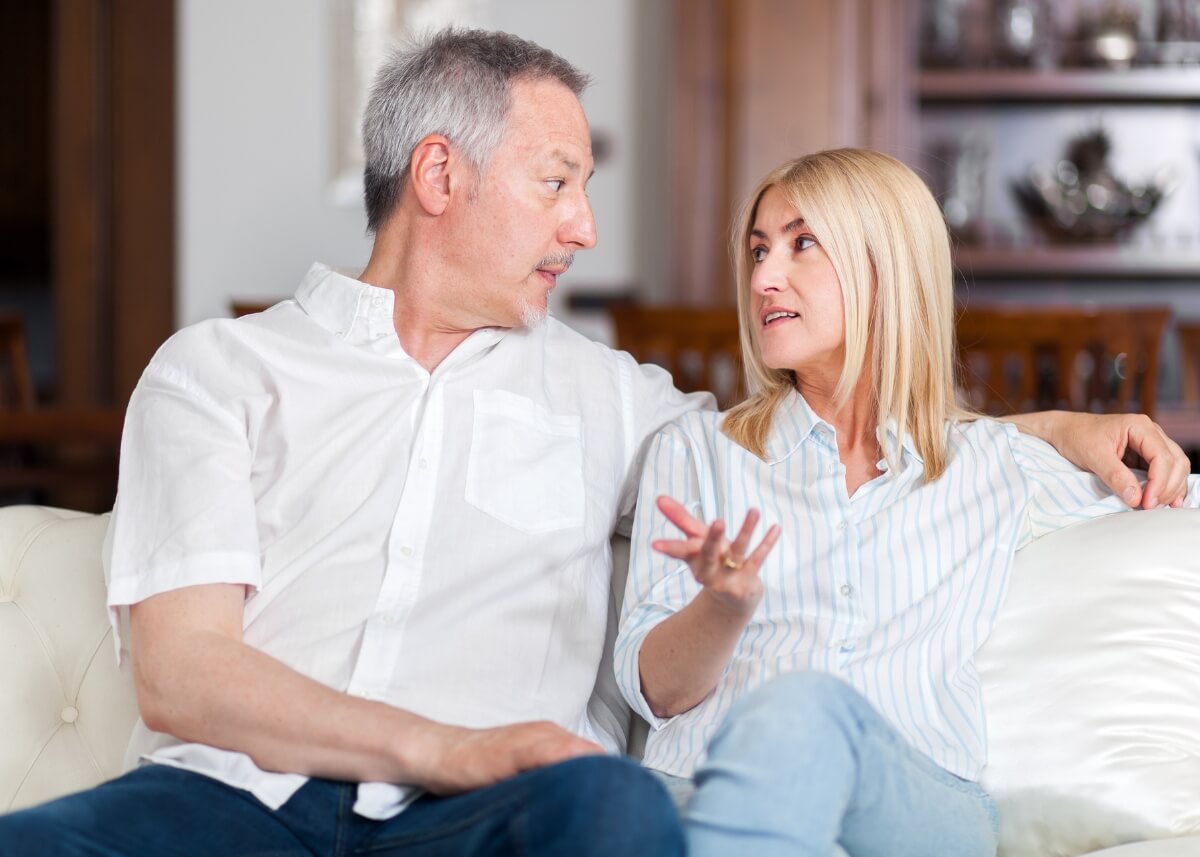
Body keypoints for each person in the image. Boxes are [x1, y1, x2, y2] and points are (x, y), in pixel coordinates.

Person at [0, 28, 1187, 857]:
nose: (587, 224)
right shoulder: (216, 372)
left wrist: (1067, 430)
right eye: (559, 179)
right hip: (227, 806)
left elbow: (827, 427)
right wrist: (453, 743)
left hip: (501, 822)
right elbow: (183, 671)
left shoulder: (619, 402)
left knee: (613, 808)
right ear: (439, 175)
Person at [614, 148, 1200, 857]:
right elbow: (659, 693)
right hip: (708, 791)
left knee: (806, 703)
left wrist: (1071, 429)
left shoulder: (994, 466)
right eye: (759, 250)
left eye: (803, 244)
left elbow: (1158, 495)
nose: (764, 277)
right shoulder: (696, 451)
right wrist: (723, 607)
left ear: (884, 270)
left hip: (914, 811)